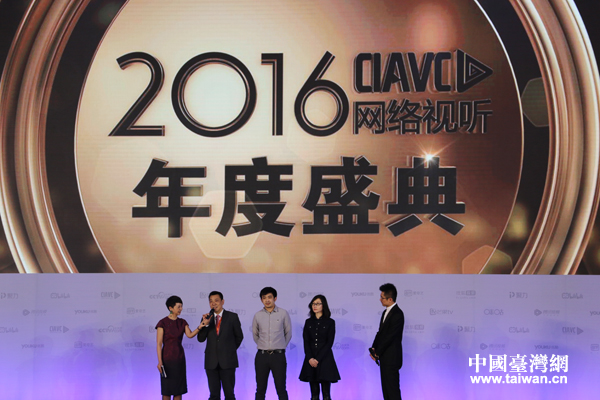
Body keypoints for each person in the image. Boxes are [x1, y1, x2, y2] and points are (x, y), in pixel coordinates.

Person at [197, 291, 244, 400]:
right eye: (211, 301)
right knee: (214, 395)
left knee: (229, 395)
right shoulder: (206, 318)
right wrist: (205, 324)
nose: (213, 303)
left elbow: (239, 337)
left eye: (216, 300)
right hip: (211, 362)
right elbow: (200, 339)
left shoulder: (232, 317)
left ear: (222, 302)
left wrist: (229, 350)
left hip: (228, 361)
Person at [156, 295, 201, 400]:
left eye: (181, 306)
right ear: (170, 308)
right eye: (178, 307)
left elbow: (190, 335)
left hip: (179, 359)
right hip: (167, 360)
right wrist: (160, 362)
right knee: (166, 391)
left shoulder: (182, 322)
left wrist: (201, 326)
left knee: (178, 390)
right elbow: (159, 343)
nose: (181, 309)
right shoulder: (162, 323)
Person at [252, 286, 292, 400]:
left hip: (278, 356)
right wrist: (264, 346)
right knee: (260, 389)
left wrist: (280, 346)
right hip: (262, 356)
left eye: (269, 297)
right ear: (261, 300)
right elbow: (255, 335)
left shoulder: (283, 313)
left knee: (281, 388)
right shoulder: (258, 315)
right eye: (264, 298)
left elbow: (288, 333)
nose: (267, 300)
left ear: (275, 298)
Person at [299, 294, 340, 400]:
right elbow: (306, 342)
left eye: (317, 304)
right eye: (313, 304)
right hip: (311, 359)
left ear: (323, 305)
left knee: (326, 394)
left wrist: (317, 359)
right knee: (314, 395)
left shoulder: (330, 322)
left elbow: (329, 343)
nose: (315, 306)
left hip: (325, 359)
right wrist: (310, 358)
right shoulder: (308, 322)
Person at [370, 283, 405, 400]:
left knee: (393, 391)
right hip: (384, 358)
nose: (380, 299)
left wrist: (378, 352)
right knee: (386, 391)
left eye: (382, 297)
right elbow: (380, 333)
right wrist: (374, 348)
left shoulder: (397, 314)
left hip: (392, 358)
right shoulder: (385, 312)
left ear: (390, 299)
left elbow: (390, 337)